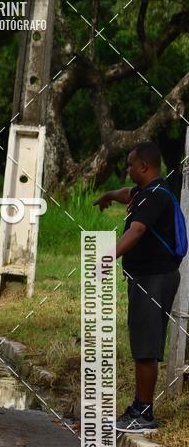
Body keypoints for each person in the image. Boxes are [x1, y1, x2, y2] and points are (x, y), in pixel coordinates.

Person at [94, 141, 183, 432]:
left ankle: (144, 414)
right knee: (142, 342)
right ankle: (138, 406)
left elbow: (138, 229)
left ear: (144, 166)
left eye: (130, 165)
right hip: (146, 278)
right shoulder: (145, 193)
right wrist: (107, 195)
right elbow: (125, 194)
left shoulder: (157, 196)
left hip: (155, 280)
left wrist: (108, 256)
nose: (127, 169)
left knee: (146, 346)